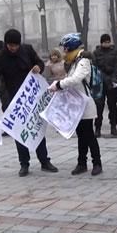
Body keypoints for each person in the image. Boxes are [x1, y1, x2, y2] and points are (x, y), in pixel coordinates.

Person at [0, 29, 58, 177]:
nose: (13, 48)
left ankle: (44, 161)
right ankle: (24, 164)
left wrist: (39, 67)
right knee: (19, 133)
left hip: (31, 97)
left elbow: (39, 62)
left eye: (15, 45)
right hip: (14, 99)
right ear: (6, 44)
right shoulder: (0, 56)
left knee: (35, 129)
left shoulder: (27, 49)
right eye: (10, 45)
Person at [48, 33, 103, 176]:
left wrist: (59, 84)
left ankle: (97, 163)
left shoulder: (83, 61)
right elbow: (70, 81)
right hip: (76, 105)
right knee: (81, 135)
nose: (64, 52)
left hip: (85, 104)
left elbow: (76, 79)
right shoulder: (74, 61)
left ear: (71, 47)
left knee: (89, 135)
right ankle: (82, 163)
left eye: (65, 49)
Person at [93, 33, 117, 137]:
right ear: (101, 43)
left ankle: (113, 126)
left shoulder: (115, 52)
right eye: (105, 42)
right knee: (99, 107)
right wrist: (104, 78)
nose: (107, 43)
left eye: (108, 41)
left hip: (112, 83)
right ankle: (97, 128)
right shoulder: (96, 53)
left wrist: (113, 78)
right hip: (100, 83)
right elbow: (95, 67)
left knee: (112, 106)